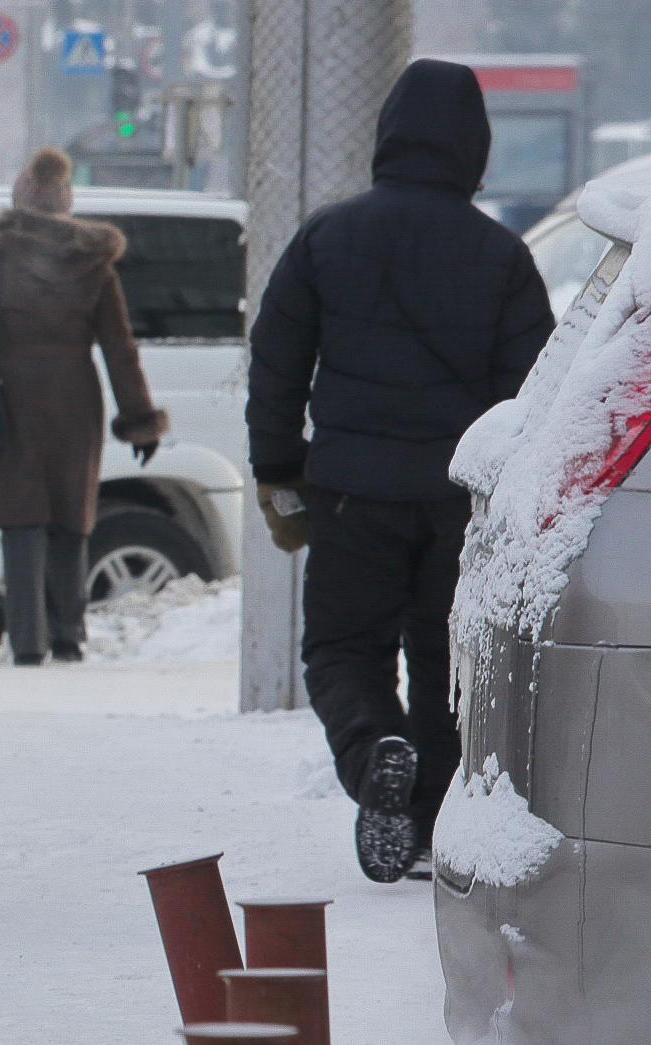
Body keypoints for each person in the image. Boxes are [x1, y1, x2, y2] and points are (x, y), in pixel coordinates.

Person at [247, 59, 551, 884]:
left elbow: (277, 360)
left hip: (350, 493)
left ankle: (371, 754)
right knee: (446, 661)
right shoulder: (503, 257)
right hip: (458, 505)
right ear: (474, 150)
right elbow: (532, 392)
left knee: (344, 650)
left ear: (387, 136)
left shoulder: (326, 237)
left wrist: (280, 469)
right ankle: (423, 821)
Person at [0, 148, 167, 666]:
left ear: (24, 199)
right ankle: (70, 635)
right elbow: (120, 349)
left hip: (14, 394)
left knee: (21, 519)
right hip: (76, 396)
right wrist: (140, 422)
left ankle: (27, 642)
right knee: (72, 516)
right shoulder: (97, 263)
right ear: (66, 201)